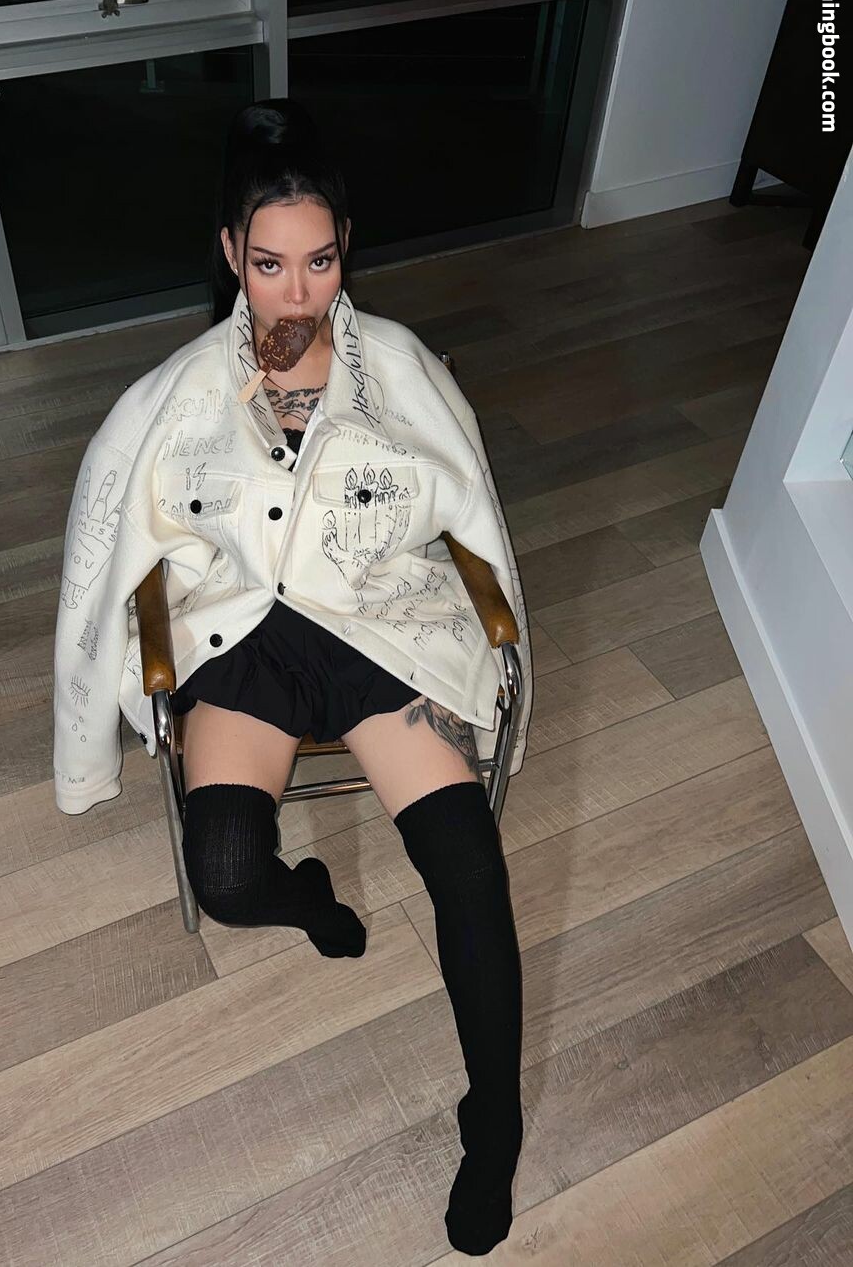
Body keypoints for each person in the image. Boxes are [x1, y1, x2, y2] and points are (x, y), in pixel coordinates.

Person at [53, 98, 533, 1255]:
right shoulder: (173, 396)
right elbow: (102, 555)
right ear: (231, 253)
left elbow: (476, 517)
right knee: (225, 872)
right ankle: (312, 898)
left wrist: (501, 657)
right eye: (269, 263)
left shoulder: (403, 369)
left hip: (376, 625)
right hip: (243, 642)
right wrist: (87, 737)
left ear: (345, 248)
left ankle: (496, 1117)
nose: (297, 291)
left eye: (319, 260)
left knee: (470, 868)